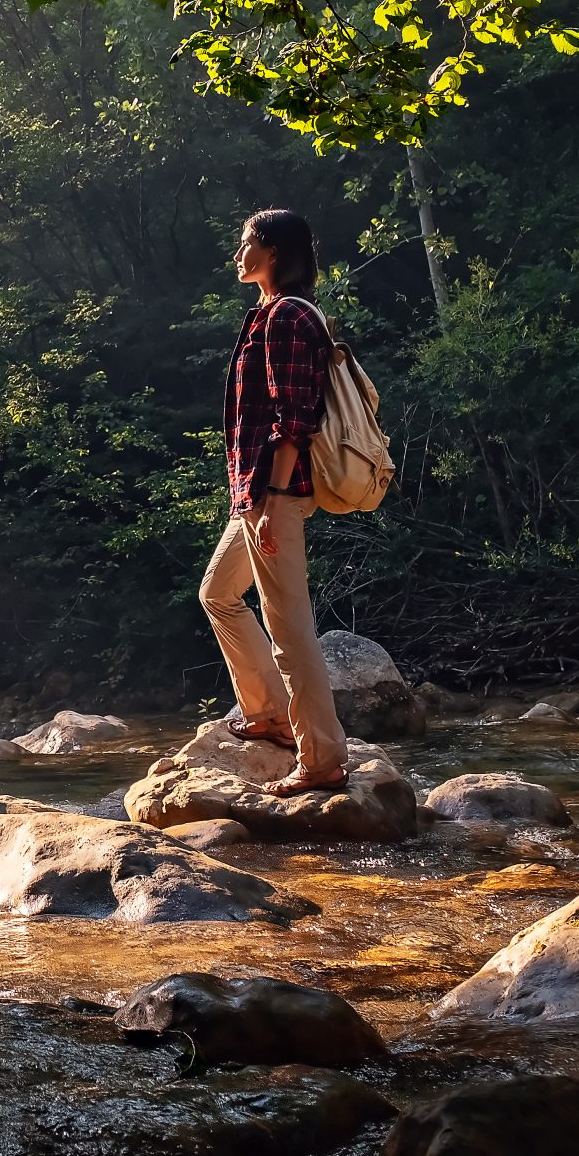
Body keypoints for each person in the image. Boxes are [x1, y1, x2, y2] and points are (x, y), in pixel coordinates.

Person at [198, 207, 349, 793]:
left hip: (273, 493)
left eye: (246, 245)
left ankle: (322, 759)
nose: (239, 256)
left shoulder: (287, 316)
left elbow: (295, 418)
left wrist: (274, 499)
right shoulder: (265, 314)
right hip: (255, 493)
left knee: (290, 629)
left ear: (274, 253)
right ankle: (270, 715)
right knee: (217, 593)